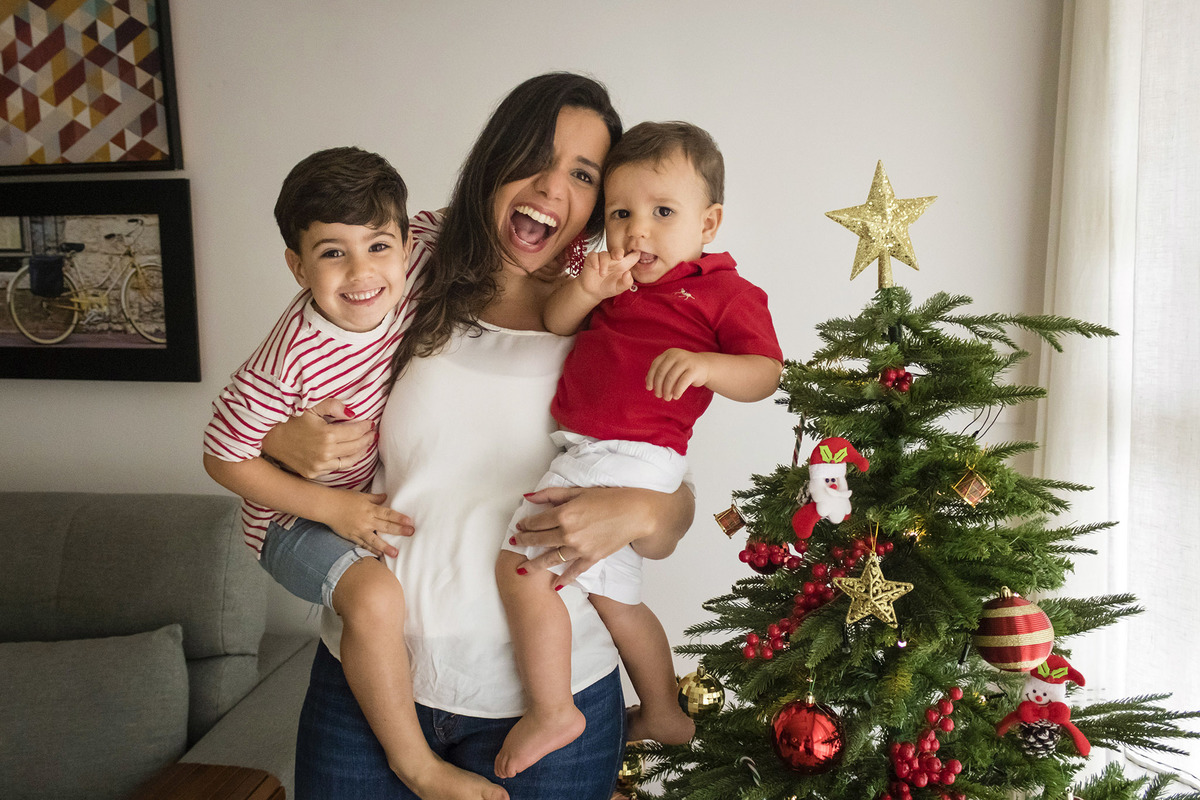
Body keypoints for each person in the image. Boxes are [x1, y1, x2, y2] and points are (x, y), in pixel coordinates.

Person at [261, 73, 697, 800]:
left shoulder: (624, 313)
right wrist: (284, 442)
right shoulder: (406, 265)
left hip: (548, 701)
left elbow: (669, 509)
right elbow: (283, 390)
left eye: (583, 174)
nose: (552, 187)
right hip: (371, 685)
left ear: (600, 200)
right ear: (493, 161)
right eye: (535, 156)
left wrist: (645, 513)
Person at [202, 147, 505, 800]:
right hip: (288, 520)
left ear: (403, 241)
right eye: (333, 252)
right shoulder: (288, 357)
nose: (363, 272)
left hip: (354, 502)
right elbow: (222, 456)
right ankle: (413, 764)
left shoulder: (420, 248)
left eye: (377, 245)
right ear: (297, 264)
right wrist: (331, 509)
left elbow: (484, 208)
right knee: (374, 600)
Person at [494, 121, 784, 777]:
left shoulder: (722, 291)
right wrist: (588, 290)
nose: (638, 230)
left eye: (662, 212)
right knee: (615, 599)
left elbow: (765, 372)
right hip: (598, 451)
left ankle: (553, 710)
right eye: (621, 212)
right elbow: (554, 320)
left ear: (708, 223)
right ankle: (661, 708)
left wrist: (708, 364)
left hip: (628, 453)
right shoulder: (613, 281)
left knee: (521, 566)